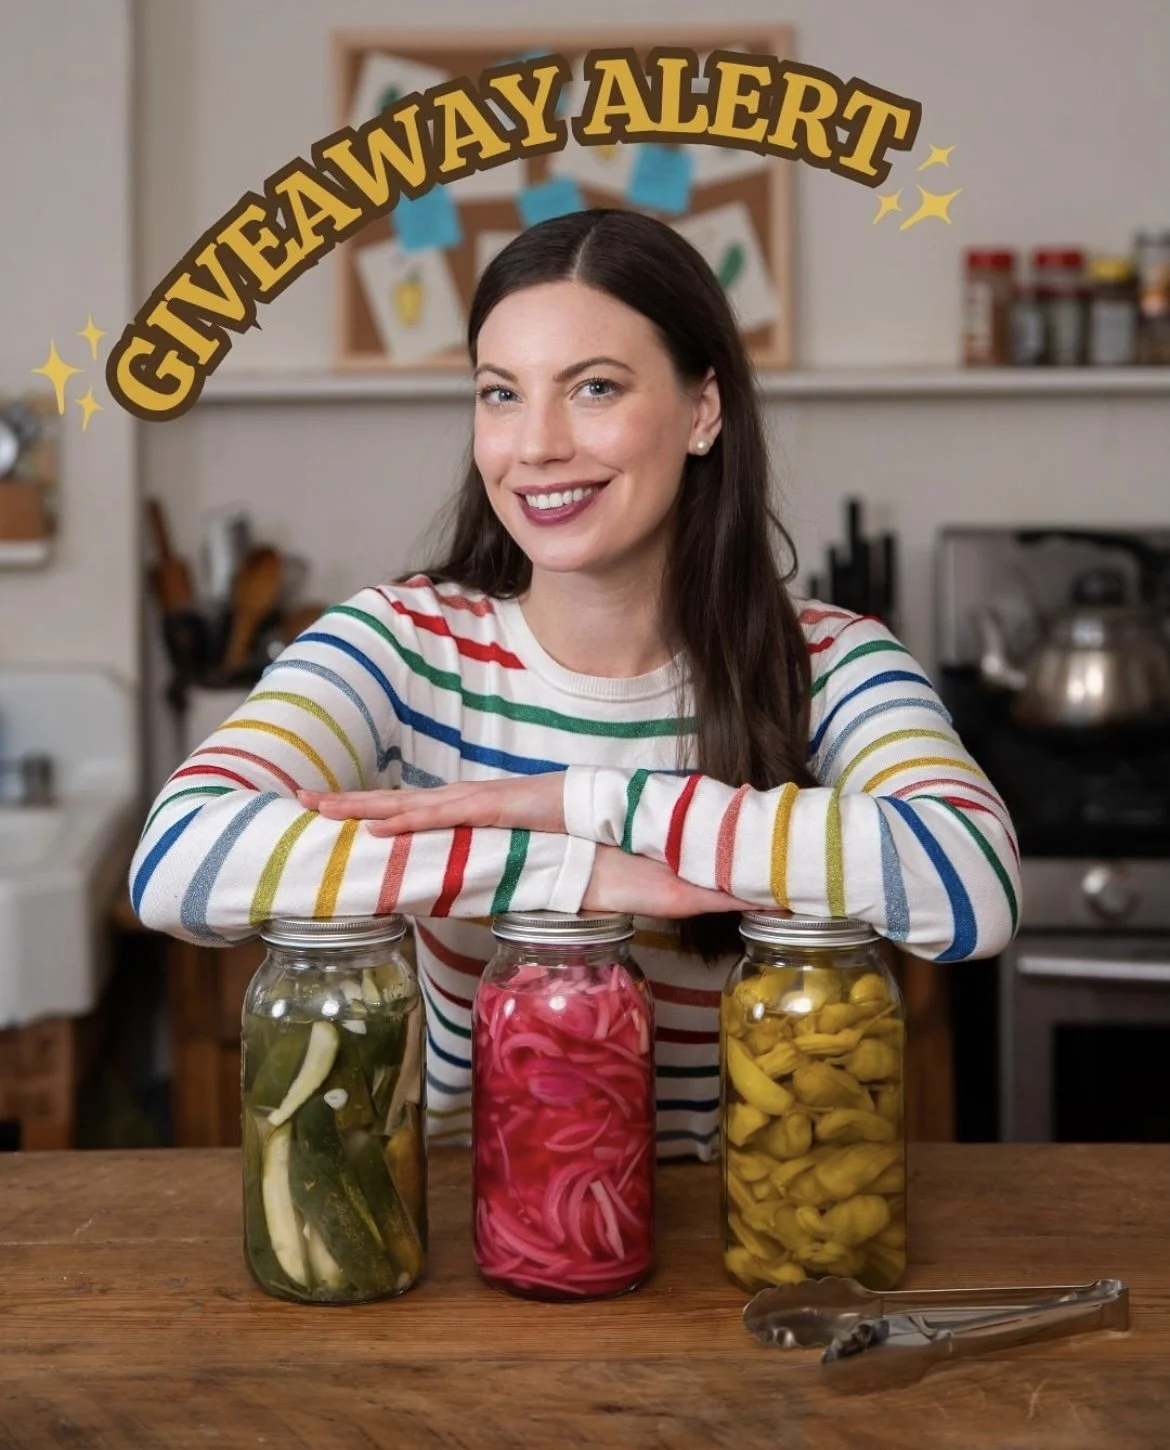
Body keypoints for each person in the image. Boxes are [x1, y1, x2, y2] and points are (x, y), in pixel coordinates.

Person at [130, 207, 1020, 1162]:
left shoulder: (830, 663)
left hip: (736, 1238)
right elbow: (179, 858)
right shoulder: (399, 643)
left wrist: (579, 802)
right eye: (500, 394)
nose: (537, 444)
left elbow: (974, 881)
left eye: (594, 388)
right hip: (463, 1238)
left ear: (703, 410)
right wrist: (568, 871)